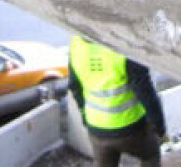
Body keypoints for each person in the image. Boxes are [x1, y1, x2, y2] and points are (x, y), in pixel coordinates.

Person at [69, 35, 168, 167]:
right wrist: (159, 128)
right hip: (132, 128)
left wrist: (85, 117)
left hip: (97, 128)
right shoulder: (124, 46)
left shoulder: (77, 45)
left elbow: (74, 86)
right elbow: (145, 92)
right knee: (151, 156)